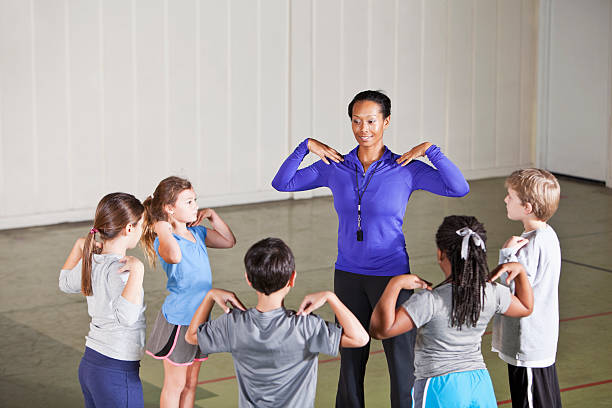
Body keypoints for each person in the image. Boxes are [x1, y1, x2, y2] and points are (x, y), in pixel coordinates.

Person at [271, 89, 469, 407]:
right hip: (348, 274)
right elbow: (283, 183)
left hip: (391, 276)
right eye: (356, 121)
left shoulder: (404, 168)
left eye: (371, 121)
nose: (364, 129)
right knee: (350, 360)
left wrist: (431, 151)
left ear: (386, 122)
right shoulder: (335, 166)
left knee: (402, 363)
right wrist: (305, 147)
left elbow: (458, 187)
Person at [370, 215, 534, 407]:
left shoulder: (430, 301)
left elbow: (380, 330)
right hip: (479, 384)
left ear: (441, 254)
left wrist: (394, 284)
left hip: (440, 386)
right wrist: (520, 272)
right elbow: (525, 306)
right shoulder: (491, 292)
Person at [184, 237, 369, 408]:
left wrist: (209, 296)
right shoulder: (305, 327)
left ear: (248, 279)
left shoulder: (233, 324)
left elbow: (191, 337)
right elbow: (360, 338)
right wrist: (331, 297)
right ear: (292, 279)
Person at [141, 176, 236, 408]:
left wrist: (213, 215)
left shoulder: (200, 234)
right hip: (180, 320)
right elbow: (174, 256)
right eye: (189, 202)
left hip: (201, 318)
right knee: (176, 385)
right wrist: (162, 227)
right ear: (169, 208)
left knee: (192, 384)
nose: (195, 206)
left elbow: (228, 241)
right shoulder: (164, 241)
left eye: (195, 200)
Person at [59, 192, 147, 408]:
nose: (143, 230)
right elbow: (126, 317)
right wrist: (138, 272)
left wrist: (80, 246)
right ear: (128, 228)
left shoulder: (92, 261)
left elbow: (64, 282)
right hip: (116, 373)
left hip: (91, 366)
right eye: (141, 225)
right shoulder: (123, 270)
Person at [492, 169, 562, 407]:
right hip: (540, 341)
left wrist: (507, 254)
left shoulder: (529, 246)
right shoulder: (548, 235)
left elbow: (513, 295)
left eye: (510, 196)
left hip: (528, 344)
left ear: (528, 207)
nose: (505, 200)